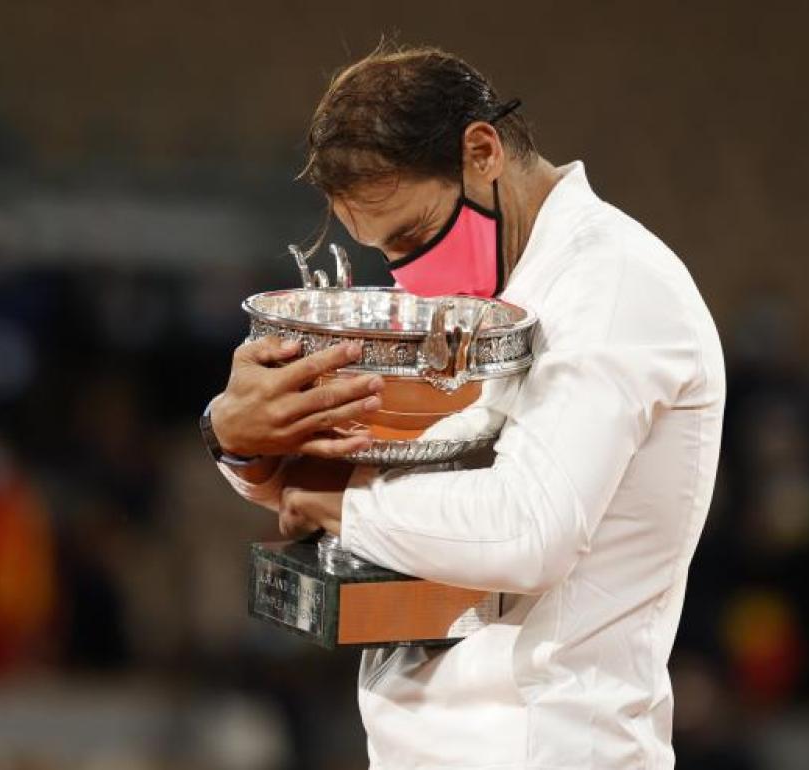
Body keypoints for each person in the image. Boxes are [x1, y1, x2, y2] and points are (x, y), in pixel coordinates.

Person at [203, 44, 725, 769]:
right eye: (387, 252)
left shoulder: (613, 288)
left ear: (482, 151)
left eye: (414, 235)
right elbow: (332, 463)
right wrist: (237, 436)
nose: (410, 277)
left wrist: (339, 506)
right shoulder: (484, 297)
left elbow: (529, 529)